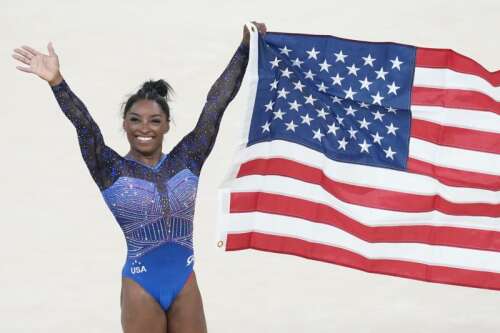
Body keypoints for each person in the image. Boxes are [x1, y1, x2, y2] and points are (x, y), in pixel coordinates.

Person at [12, 22, 267, 333]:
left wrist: (243, 50)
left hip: (185, 281)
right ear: (125, 123)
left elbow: (215, 106)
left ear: (166, 125)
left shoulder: (188, 157)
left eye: (154, 120)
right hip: (141, 285)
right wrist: (56, 81)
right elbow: (84, 126)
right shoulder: (108, 168)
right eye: (135, 120)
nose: (144, 128)